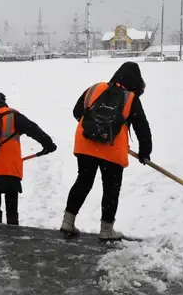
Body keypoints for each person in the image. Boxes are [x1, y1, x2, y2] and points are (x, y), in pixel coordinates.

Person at [60, 61, 153, 240]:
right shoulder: (130, 98)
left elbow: (76, 111)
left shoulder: (96, 88)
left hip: (85, 145)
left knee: (83, 181)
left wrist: (93, 129)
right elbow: (142, 128)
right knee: (111, 188)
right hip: (113, 149)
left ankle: (67, 222)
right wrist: (145, 152)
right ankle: (106, 230)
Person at [0, 91, 57, 226]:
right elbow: (33, 129)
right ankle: (13, 234)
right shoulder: (12, 116)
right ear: (4, 102)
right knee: (11, 208)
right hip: (8, 170)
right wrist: (48, 144)